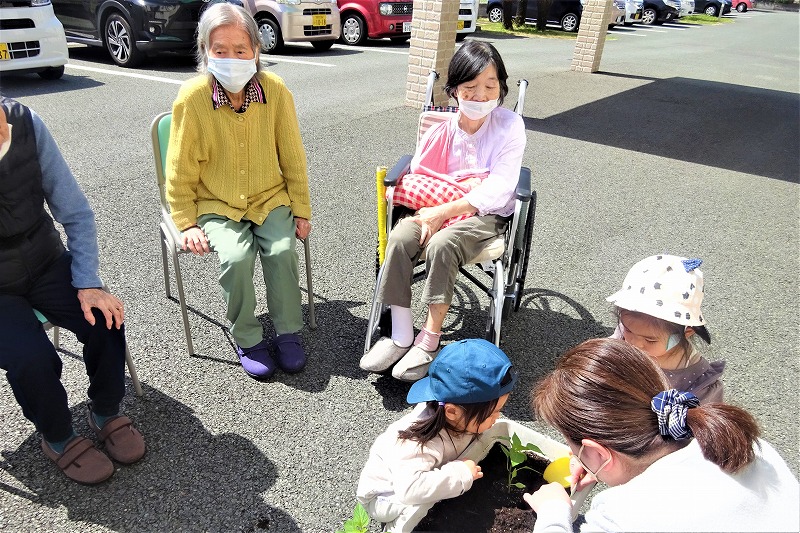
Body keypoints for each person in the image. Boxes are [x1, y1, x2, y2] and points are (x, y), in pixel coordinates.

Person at [359, 40, 526, 382]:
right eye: (471, 87)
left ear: (502, 88)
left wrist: (443, 213)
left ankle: (430, 338)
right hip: (437, 206)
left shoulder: (510, 126)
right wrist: (435, 210)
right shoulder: (442, 130)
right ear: (453, 91)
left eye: (490, 86)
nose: (481, 96)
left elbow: (500, 187)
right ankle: (401, 333)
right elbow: (422, 173)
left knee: (441, 244)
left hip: (485, 214)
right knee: (401, 235)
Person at [0, 98, 145, 485]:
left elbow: (75, 211)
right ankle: (59, 435)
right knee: (31, 356)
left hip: (45, 258)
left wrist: (88, 281)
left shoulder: (26, 123)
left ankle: (105, 409)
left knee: (105, 318)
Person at [166, 2, 312, 380]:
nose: (231, 58)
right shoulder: (192, 97)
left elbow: (292, 156)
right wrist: (185, 222)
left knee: (281, 251)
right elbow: (179, 169)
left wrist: (301, 208)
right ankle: (246, 336)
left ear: (256, 51)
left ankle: (287, 331)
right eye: (220, 50)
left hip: (270, 197)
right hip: (216, 203)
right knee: (235, 257)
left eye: (241, 49)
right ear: (205, 51)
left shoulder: (276, 90)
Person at [524, 338, 799, 532]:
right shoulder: (744, 444)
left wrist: (553, 512)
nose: (575, 457)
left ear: (598, 453)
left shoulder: (622, 518)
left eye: (577, 452)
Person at [357, 339, 518, 533]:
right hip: (386, 496)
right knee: (421, 506)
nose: (497, 417)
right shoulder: (418, 442)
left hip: (410, 477)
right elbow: (409, 490)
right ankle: (394, 526)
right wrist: (461, 474)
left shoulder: (456, 416)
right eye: (491, 413)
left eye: (499, 410)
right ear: (452, 412)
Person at [606, 254, 724, 403]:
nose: (634, 344)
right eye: (628, 329)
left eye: (650, 340)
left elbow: (702, 421)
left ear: (687, 331)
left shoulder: (698, 385)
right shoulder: (625, 331)